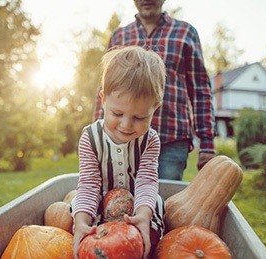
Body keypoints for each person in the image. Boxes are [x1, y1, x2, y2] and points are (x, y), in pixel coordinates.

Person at [93, 0, 217, 180]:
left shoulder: (185, 33)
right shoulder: (120, 36)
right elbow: (105, 88)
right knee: (119, 197)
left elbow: (200, 90)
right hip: (122, 140)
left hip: (171, 140)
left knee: (164, 202)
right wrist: (98, 134)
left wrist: (207, 143)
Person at [72, 46, 166, 259]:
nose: (126, 125)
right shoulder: (90, 138)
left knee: (157, 205)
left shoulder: (150, 140)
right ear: (104, 100)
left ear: (155, 108)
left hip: (136, 205)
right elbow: (89, 184)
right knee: (78, 207)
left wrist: (142, 216)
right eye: (117, 113)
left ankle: (146, 245)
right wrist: (81, 222)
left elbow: (147, 181)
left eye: (140, 117)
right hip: (100, 202)